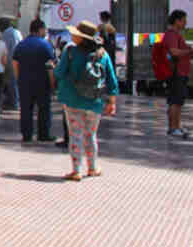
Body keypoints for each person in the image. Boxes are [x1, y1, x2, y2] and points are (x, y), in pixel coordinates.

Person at [54, 20, 120, 180]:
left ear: (82, 38)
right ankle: (92, 168)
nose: (72, 36)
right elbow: (112, 80)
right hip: (94, 101)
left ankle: (76, 170)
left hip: (72, 101)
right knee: (90, 135)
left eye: (75, 34)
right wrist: (112, 102)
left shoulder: (70, 51)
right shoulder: (102, 54)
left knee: (75, 135)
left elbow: (59, 73)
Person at [13, 19, 57, 143]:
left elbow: (15, 63)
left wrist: (18, 79)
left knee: (26, 109)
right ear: (40, 29)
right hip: (42, 83)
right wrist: (53, 83)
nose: (46, 32)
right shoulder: (45, 45)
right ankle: (43, 134)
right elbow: (50, 66)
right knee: (44, 109)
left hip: (25, 82)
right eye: (45, 29)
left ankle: (26, 135)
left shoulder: (21, 44)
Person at [162, 10, 193, 138]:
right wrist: (191, 51)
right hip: (176, 72)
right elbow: (174, 52)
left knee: (178, 101)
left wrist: (190, 51)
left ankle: (177, 126)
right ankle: (173, 128)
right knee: (175, 100)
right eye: (184, 20)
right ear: (177, 21)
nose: (185, 23)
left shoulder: (175, 34)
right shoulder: (172, 34)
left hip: (180, 71)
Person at [0, 18, 22, 110]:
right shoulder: (17, 32)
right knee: (14, 82)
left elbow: (2, 49)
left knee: (7, 83)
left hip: (7, 60)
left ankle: (13, 103)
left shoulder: (4, 34)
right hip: (18, 60)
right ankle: (15, 102)